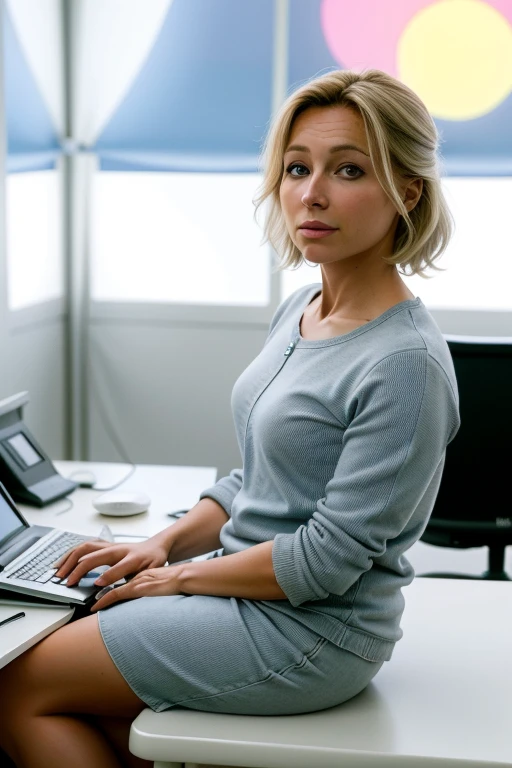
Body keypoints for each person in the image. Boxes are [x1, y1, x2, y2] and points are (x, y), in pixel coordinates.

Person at [0, 68, 460, 768]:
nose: (312, 193)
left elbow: (325, 562)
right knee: (79, 692)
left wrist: (179, 579)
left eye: (349, 170)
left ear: (409, 190)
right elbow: (259, 478)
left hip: (312, 633)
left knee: (14, 686)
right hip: (240, 588)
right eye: (297, 168)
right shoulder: (301, 308)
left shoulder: (405, 364)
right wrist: (165, 544)